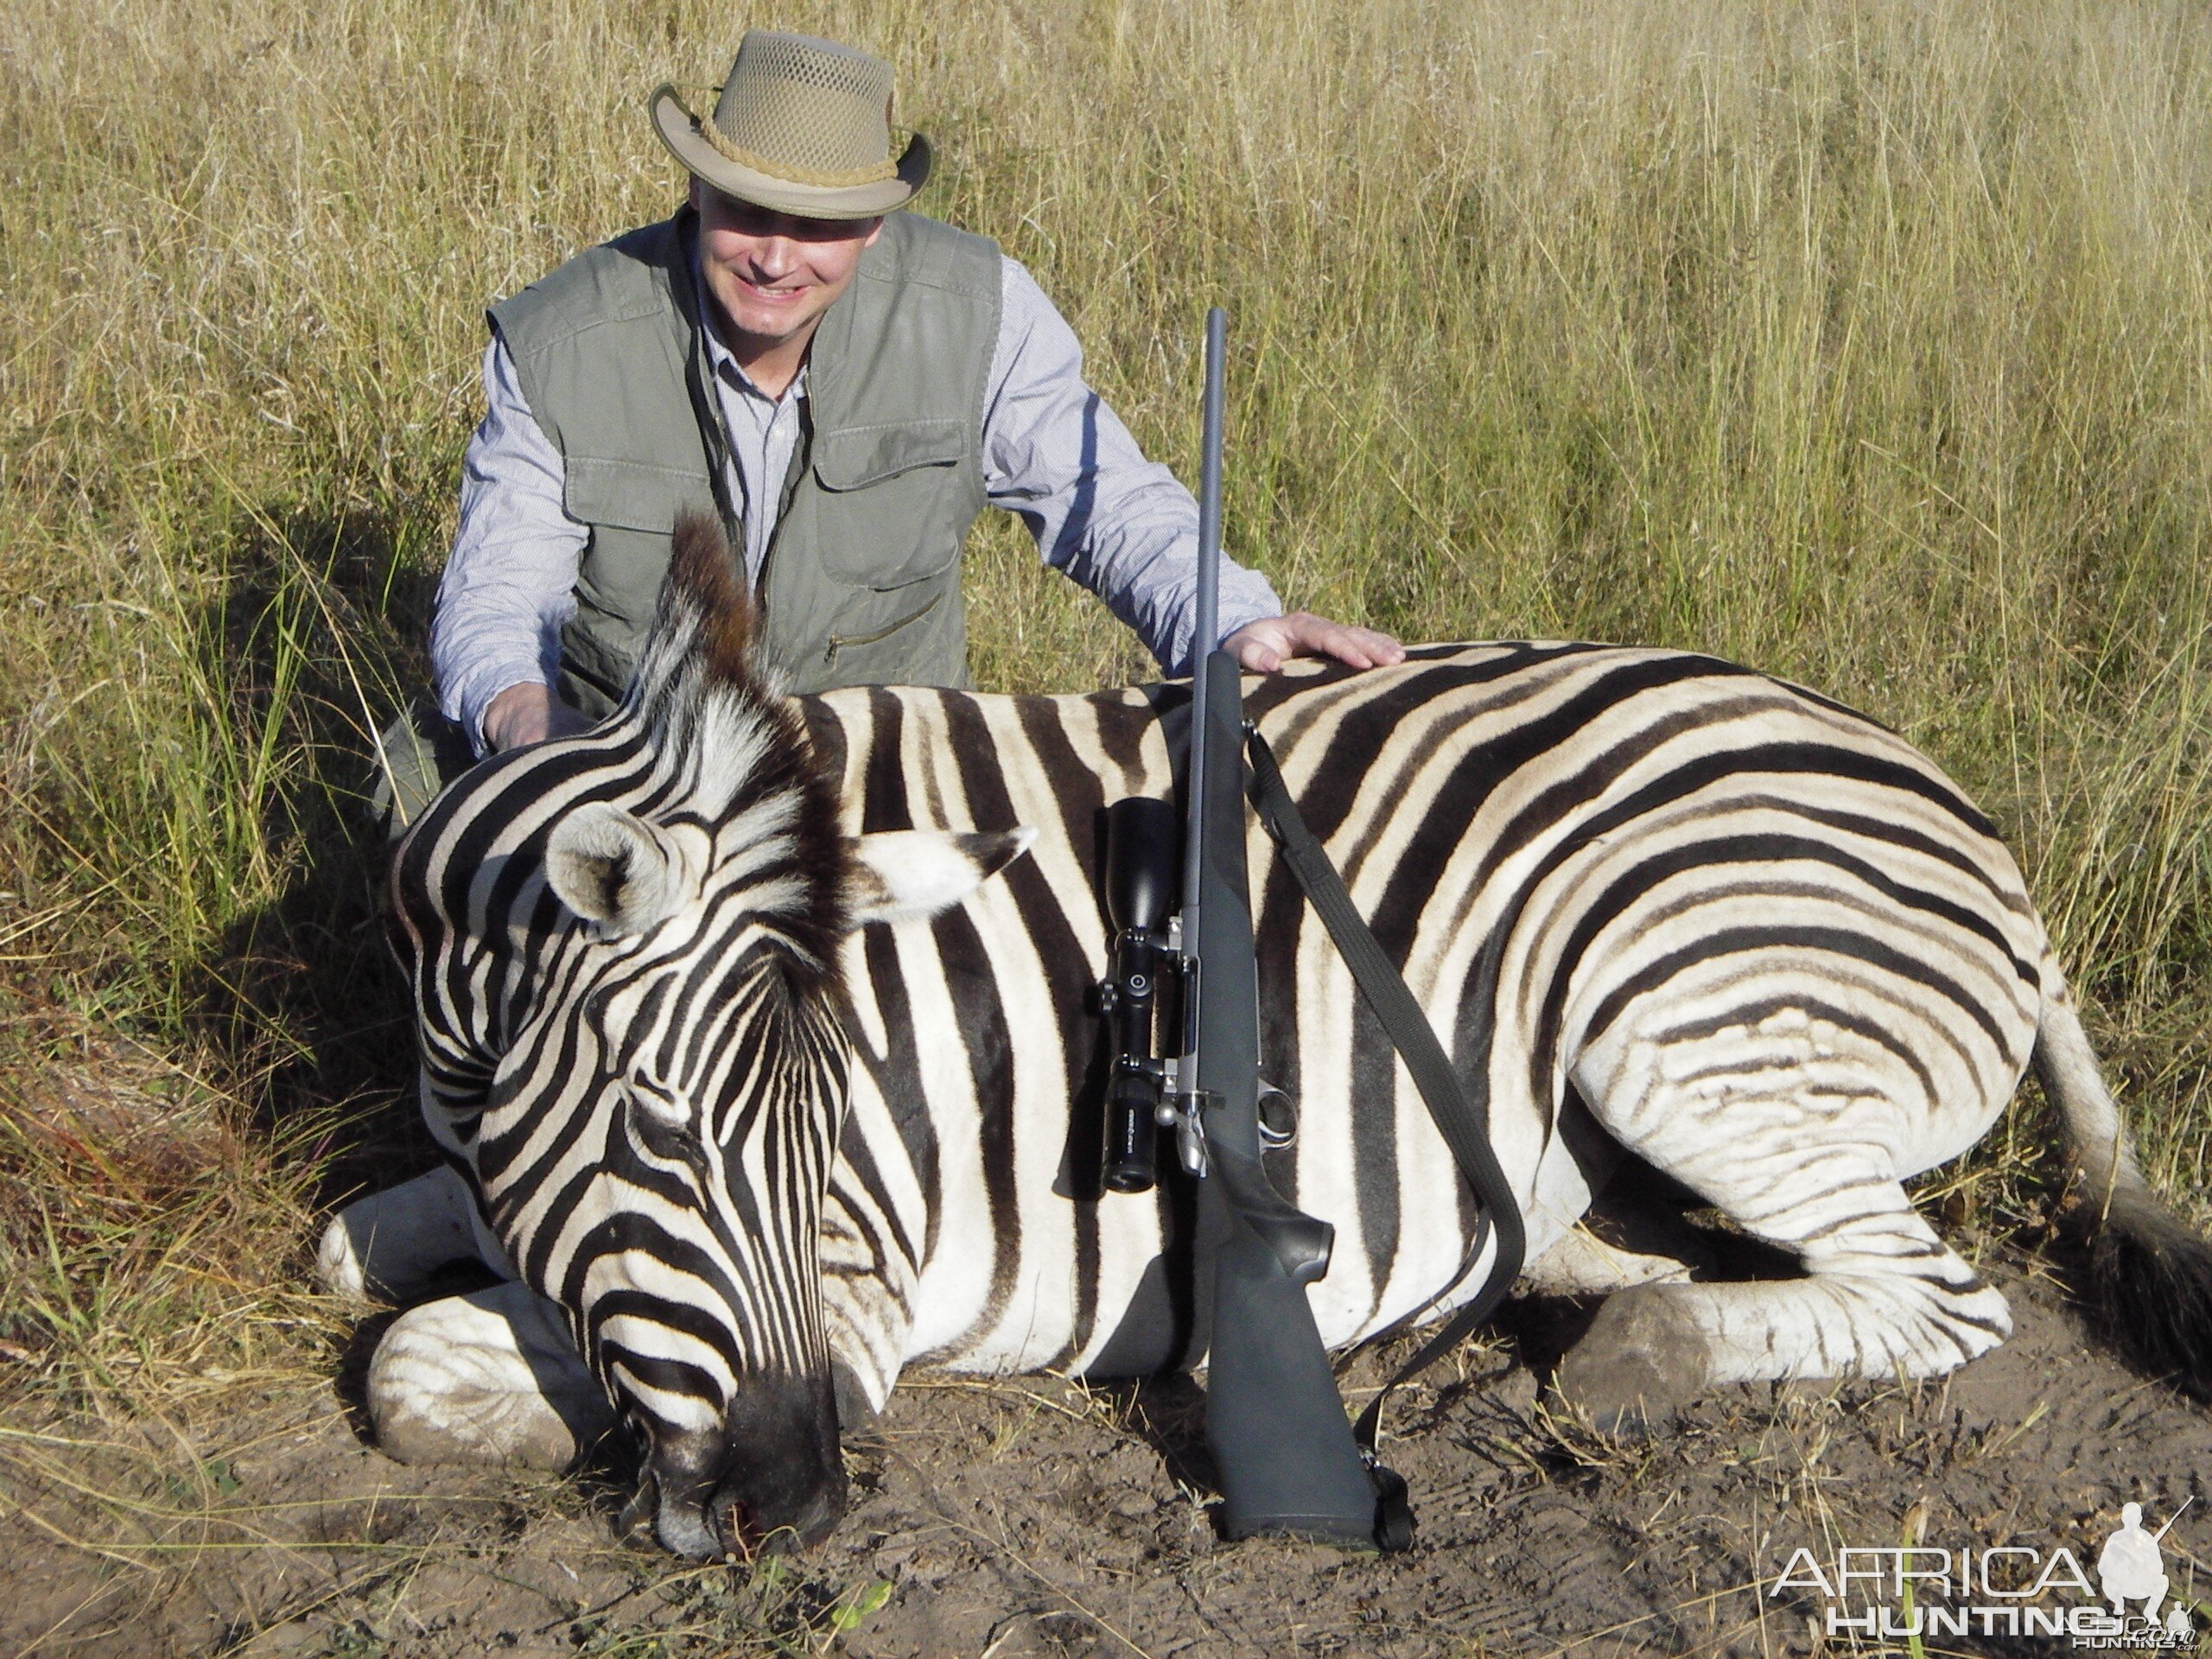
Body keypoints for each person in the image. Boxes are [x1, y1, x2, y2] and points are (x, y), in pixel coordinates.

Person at [380, 28, 1402, 825]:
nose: (778, 258)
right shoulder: (562, 336)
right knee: (417, 789)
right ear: (692, 185)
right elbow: (496, 600)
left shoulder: (977, 310)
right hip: (633, 762)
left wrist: (1229, 623)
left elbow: (1109, 506)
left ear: (876, 223)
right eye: (747, 210)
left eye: (822, 224)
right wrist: (533, 729)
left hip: (884, 765)